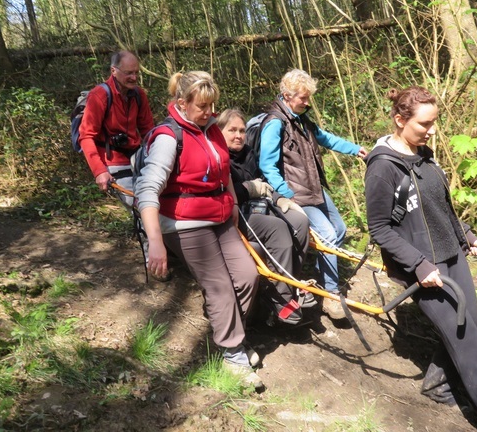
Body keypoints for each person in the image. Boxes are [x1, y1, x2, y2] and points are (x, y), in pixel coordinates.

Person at [364, 86, 477, 432]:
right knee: (473, 351)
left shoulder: (425, 154)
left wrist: (465, 234)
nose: (432, 130)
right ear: (400, 120)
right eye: (425, 124)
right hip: (422, 267)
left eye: (435, 122)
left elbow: (439, 206)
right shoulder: (382, 168)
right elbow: (379, 228)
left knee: (469, 330)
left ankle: (437, 384)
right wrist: (420, 265)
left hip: (452, 256)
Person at [134, 71, 263, 389]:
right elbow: (147, 191)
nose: (210, 113)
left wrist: (232, 203)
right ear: (182, 103)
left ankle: (227, 333)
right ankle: (233, 353)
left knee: (248, 275)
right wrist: (155, 242)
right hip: (183, 222)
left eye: (212, 106)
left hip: (220, 217)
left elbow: (224, 171)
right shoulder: (168, 137)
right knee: (219, 287)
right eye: (203, 106)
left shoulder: (212, 130)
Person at [258, 69, 367, 320]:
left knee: (338, 230)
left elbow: (326, 139)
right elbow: (267, 164)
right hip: (296, 193)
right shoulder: (275, 123)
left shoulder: (302, 119)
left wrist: (356, 150)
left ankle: (320, 278)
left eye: (308, 98)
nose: (308, 103)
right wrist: (286, 194)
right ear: (287, 95)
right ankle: (330, 295)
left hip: (314, 187)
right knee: (327, 236)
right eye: (303, 98)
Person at [218, 108, 316, 325]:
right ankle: (280, 299)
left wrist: (281, 198)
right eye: (232, 130)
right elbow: (224, 193)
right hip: (235, 214)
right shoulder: (218, 157)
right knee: (276, 228)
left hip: (259, 207)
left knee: (300, 221)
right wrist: (248, 189)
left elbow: (265, 182)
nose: (239, 135)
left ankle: (290, 283)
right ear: (219, 131)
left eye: (242, 130)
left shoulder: (249, 154)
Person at [78, 50, 154, 208]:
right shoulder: (99, 96)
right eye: (128, 73)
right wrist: (99, 171)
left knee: (155, 204)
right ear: (114, 71)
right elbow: (86, 136)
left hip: (138, 158)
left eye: (136, 72)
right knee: (141, 207)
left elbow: (148, 131)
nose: (134, 78)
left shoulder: (139, 95)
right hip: (113, 163)